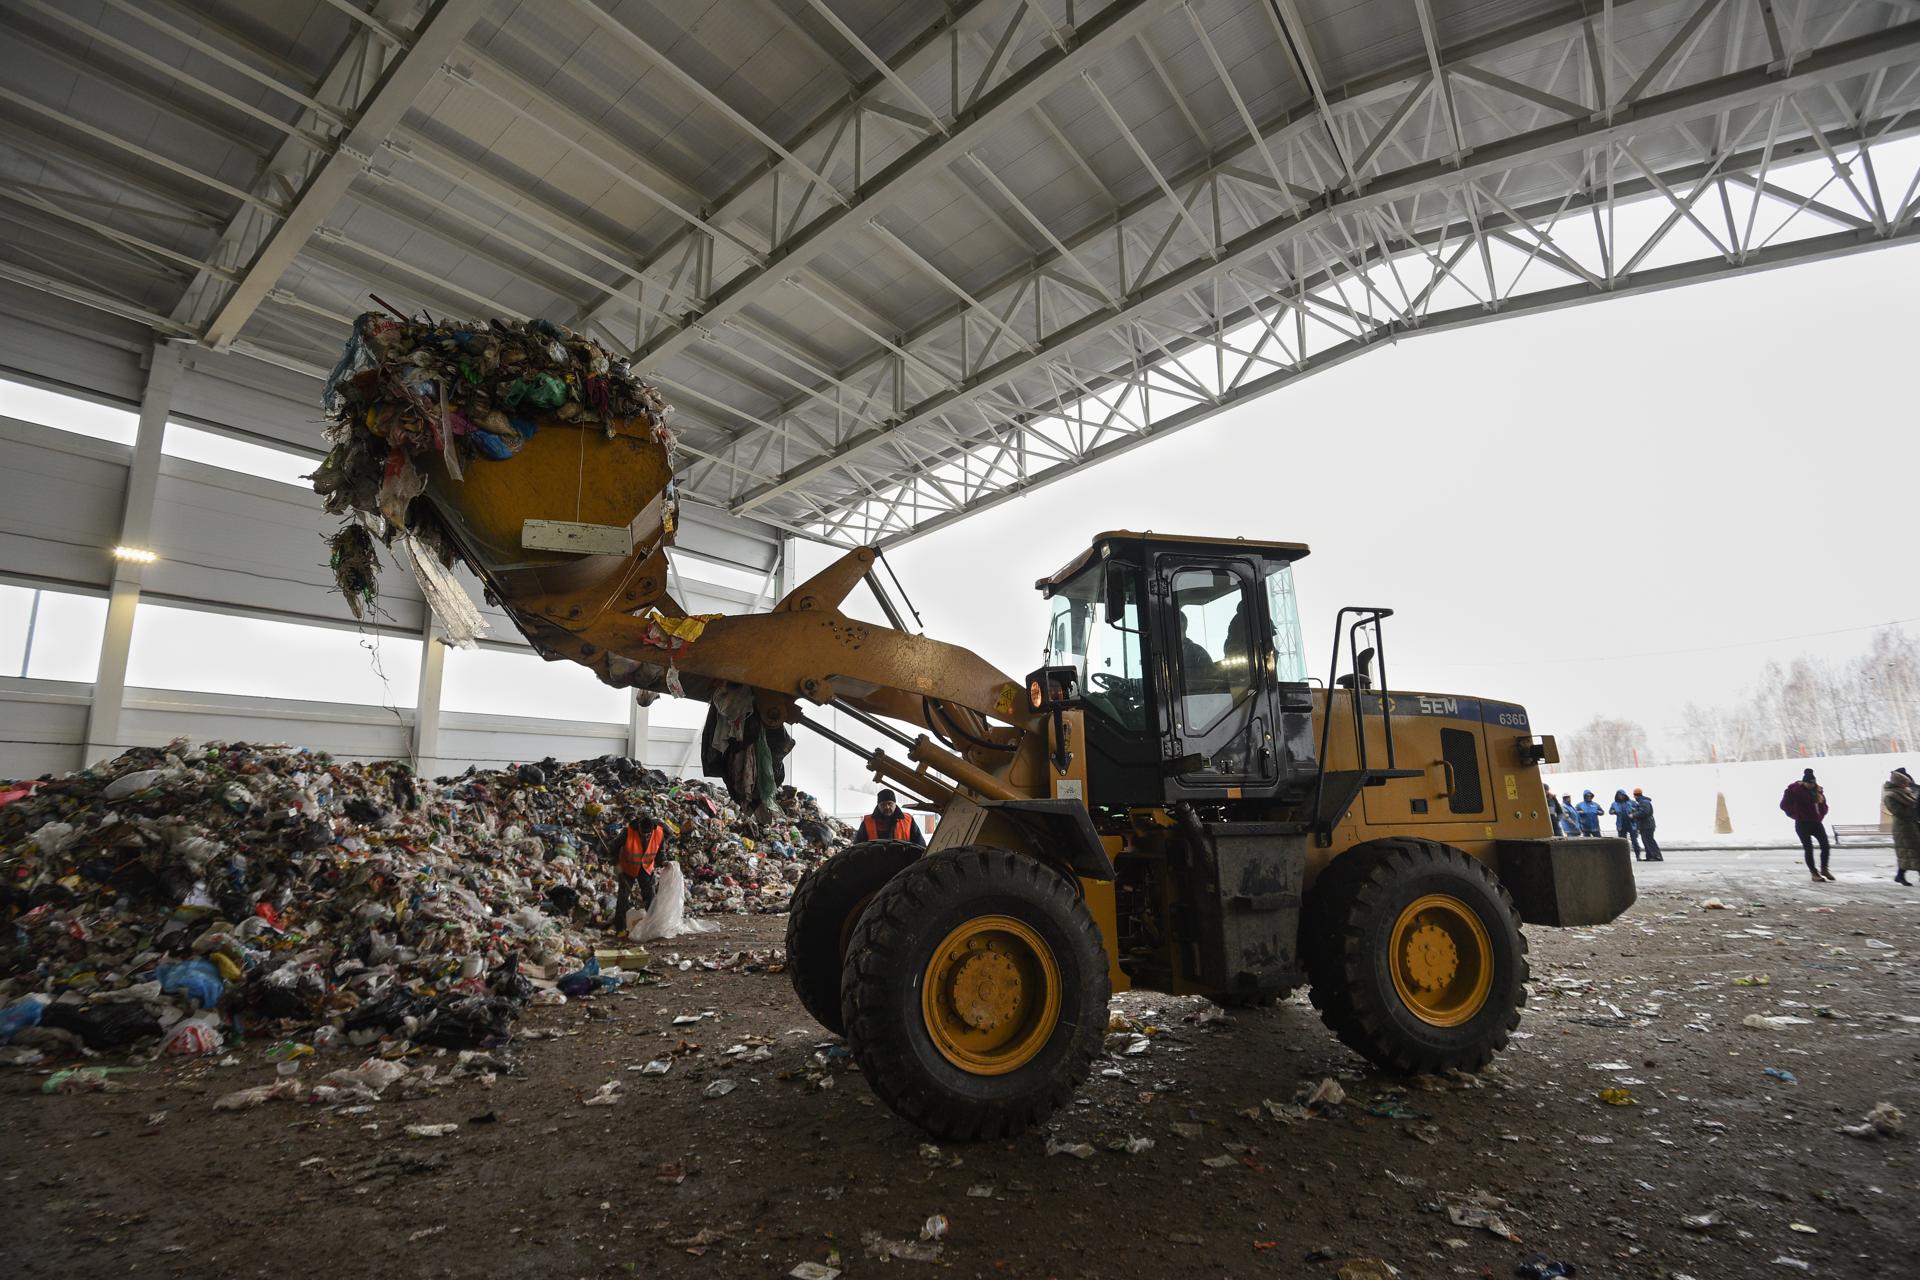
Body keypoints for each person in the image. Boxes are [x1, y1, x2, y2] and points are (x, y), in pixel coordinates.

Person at [605, 809, 670, 932]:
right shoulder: (627, 832)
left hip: (646, 868)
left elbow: (660, 852)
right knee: (623, 898)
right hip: (627, 868)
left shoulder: (659, 833)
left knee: (650, 896)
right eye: (643, 833)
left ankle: (652, 925)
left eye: (648, 834)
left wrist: (664, 861)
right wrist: (615, 862)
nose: (645, 836)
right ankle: (620, 927)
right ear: (638, 827)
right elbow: (613, 846)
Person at [1779, 768, 1833, 882]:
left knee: (1825, 845)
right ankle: (1814, 873)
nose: (1810, 785)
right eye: (1808, 783)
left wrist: (1821, 815)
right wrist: (1795, 814)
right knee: (1809, 848)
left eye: (1812, 783)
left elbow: (1823, 805)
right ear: (1804, 782)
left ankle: (1824, 868)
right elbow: (1784, 805)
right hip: (1802, 823)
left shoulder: (1818, 791)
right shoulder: (1794, 791)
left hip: (1816, 822)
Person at [1884, 767, 1920, 887]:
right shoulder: (1891, 796)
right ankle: (1901, 876)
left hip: (1911, 825)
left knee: (1910, 852)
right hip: (1902, 828)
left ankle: (1900, 876)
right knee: (1911, 851)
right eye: (1904, 783)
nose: (1906, 785)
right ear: (1898, 783)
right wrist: (1914, 809)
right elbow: (1898, 812)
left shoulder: (1905, 792)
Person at [855, 788, 926, 847]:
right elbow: (858, 847)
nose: (887, 807)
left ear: (895, 804)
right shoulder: (867, 822)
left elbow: (920, 844)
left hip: (904, 862)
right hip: (876, 862)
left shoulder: (908, 820)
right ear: (878, 805)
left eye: (890, 803)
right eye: (883, 804)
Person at [1630, 788, 1662, 861]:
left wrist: (1633, 815)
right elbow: (1643, 811)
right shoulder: (1643, 802)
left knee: (1649, 841)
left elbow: (1644, 812)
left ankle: (1656, 856)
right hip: (1645, 825)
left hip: (1647, 825)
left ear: (1635, 795)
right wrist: (1636, 811)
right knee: (1646, 841)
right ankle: (1650, 856)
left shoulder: (1643, 802)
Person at [1609, 789, 1642, 857]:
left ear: (1625, 795)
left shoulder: (1632, 802)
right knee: (1622, 842)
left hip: (1631, 824)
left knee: (1634, 841)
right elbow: (1610, 811)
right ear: (1617, 796)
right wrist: (1613, 811)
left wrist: (1634, 810)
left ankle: (1638, 856)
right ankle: (1623, 856)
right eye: (1619, 795)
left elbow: (1639, 810)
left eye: (1622, 795)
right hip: (1621, 824)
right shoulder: (1614, 804)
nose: (1621, 796)